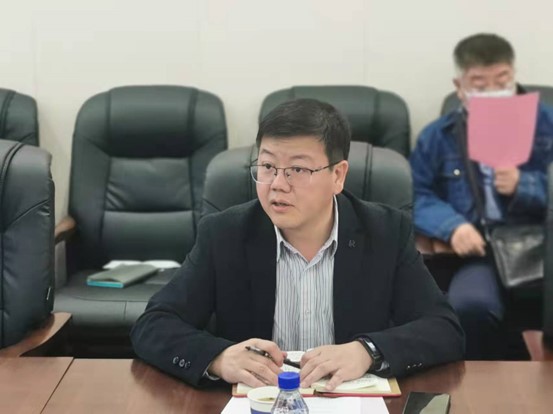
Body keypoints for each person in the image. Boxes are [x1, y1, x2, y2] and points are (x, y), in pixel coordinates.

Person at [131, 98, 464, 389]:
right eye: (267, 166)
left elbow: (444, 329)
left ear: (338, 175)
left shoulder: (386, 232)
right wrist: (217, 358)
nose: (278, 184)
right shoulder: (224, 234)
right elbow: (154, 324)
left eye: (298, 170)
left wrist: (368, 351)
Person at [410, 33, 553, 360]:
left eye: (502, 82)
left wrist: (525, 185)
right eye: (479, 84)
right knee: (470, 307)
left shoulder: (547, 124)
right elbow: (416, 194)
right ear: (459, 87)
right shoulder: (438, 136)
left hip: (542, 246)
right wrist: (452, 226)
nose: (493, 92)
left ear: (514, 76)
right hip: (480, 252)